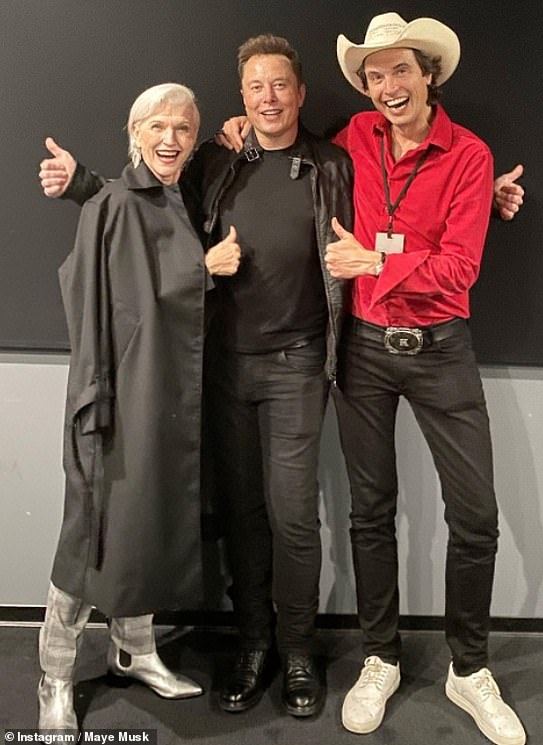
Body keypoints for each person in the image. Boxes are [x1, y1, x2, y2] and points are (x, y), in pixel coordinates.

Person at [38, 35, 353, 719]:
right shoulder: (214, 164)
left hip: (274, 368)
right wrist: (86, 184)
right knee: (169, 520)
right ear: (241, 97)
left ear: (299, 93)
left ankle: (290, 651)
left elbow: (142, 205)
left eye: (280, 85)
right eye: (255, 87)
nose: (267, 98)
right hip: (182, 377)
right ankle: (241, 649)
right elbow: (126, 219)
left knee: (284, 517)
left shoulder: (321, 165)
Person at [321, 13, 526, 745]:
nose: (386, 86)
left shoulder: (469, 155)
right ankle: (380, 655)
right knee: (370, 512)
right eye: (374, 75)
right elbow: (296, 158)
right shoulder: (353, 137)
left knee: (476, 516)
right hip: (365, 350)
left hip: (440, 347)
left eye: (399, 70)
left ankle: (468, 669)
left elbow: (460, 269)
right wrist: (238, 132)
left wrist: (377, 262)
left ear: (429, 73)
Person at [37, 83, 208, 736]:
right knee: (90, 537)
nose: (171, 139)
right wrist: (207, 269)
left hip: (159, 398)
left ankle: (134, 648)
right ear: (134, 133)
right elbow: (118, 297)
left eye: (184, 129)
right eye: (158, 126)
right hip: (110, 398)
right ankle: (53, 672)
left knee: (141, 529)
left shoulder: (171, 200)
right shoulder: (110, 203)